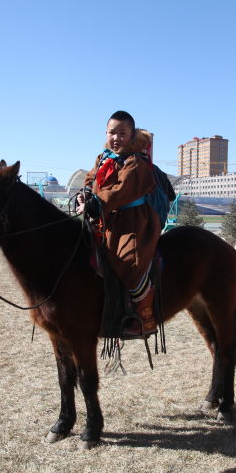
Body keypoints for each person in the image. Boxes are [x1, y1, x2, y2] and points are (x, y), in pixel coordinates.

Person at [81, 111, 161, 339]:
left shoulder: (135, 161)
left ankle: (145, 318)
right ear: (106, 133)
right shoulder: (103, 158)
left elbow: (122, 191)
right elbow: (91, 178)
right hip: (105, 219)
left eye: (122, 133)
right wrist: (86, 194)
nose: (116, 138)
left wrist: (98, 202)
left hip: (133, 221)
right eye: (112, 132)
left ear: (131, 135)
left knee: (129, 261)